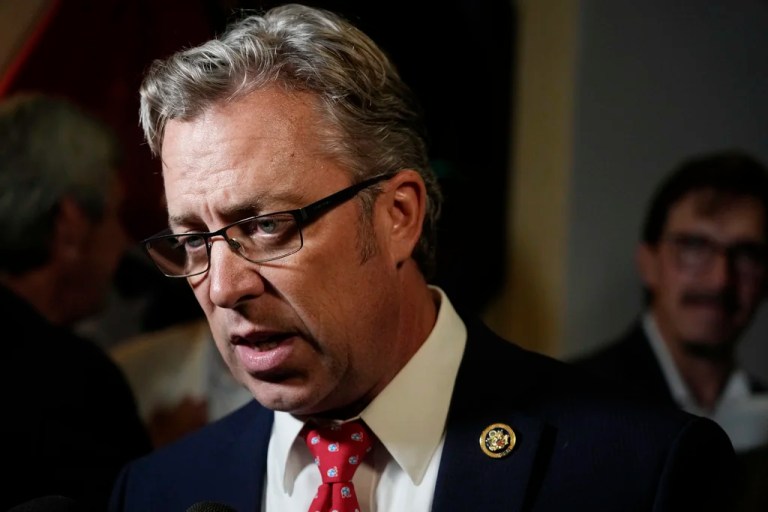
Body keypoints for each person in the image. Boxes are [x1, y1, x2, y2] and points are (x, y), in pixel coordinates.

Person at [109, 5, 737, 511]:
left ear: (398, 215)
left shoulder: (638, 471)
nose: (223, 288)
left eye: (267, 226)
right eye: (193, 240)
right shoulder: (156, 493)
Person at [572, 149, 768, 510]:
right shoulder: (574, 402)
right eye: (694, 246)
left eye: (747, 255)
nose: (720, 279)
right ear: (648, 262)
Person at [0, 92, 153, 511]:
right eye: (114, 214)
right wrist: (166, 460)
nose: (122, 242)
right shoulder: (75, 382)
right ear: (70, 224)